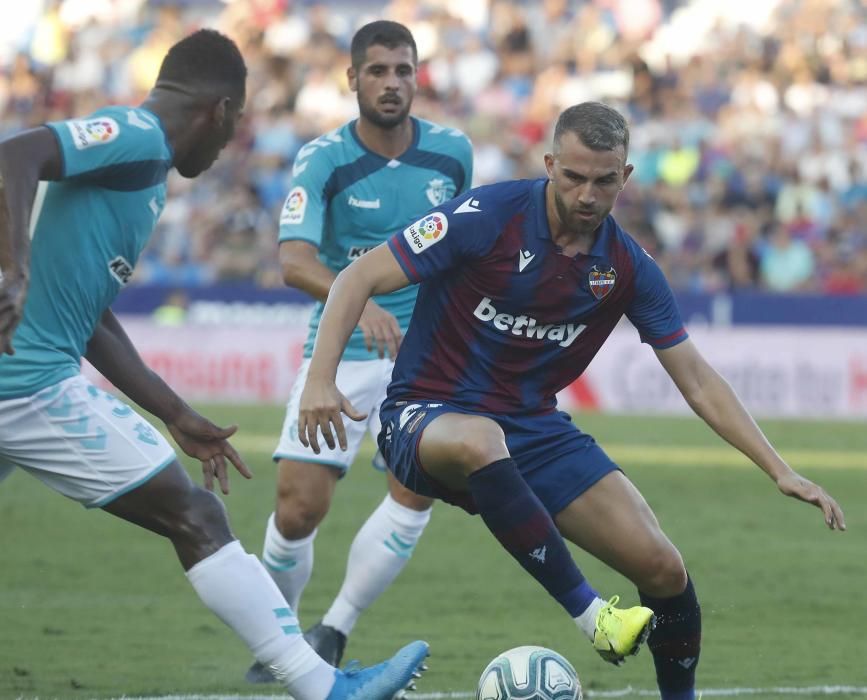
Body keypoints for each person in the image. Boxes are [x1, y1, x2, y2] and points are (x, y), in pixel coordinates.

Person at [296, 102, 847, 700]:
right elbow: (356, 278)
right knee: (481, 438)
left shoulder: (628, 267)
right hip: (425, 413)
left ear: (626, 176)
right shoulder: (486, 217)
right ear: (550, 163)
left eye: (604, 180)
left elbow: (696, 378)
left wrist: (779, 469)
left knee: (663, 568)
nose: (588, 194)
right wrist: (319, 381)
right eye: (574, 177)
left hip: (532, 429)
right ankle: (593, 618)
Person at [0, 29, 428, 700]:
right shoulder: (137, 137)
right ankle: (325, 687)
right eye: (231, 132)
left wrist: (175, 412)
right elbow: (13, 154)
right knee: (194, 514)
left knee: (191, 510)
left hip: (27, 377)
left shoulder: (142, 180)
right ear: (218, 111)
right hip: (25, 386)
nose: (227, 147)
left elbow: (91, 319)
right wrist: (14, 268)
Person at [245, 19, 473, 683]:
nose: (392, 83)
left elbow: (463, 250)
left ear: (415, 75)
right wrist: (361, 298)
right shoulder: (323, 158)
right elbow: (292, 261)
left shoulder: (452, 154)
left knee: (412, 494)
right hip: (340, 351)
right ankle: (277, 637)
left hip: (424, 357)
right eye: (377, 71)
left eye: (403, 70)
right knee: (297, 507)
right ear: (352, 79)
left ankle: (335, 628)